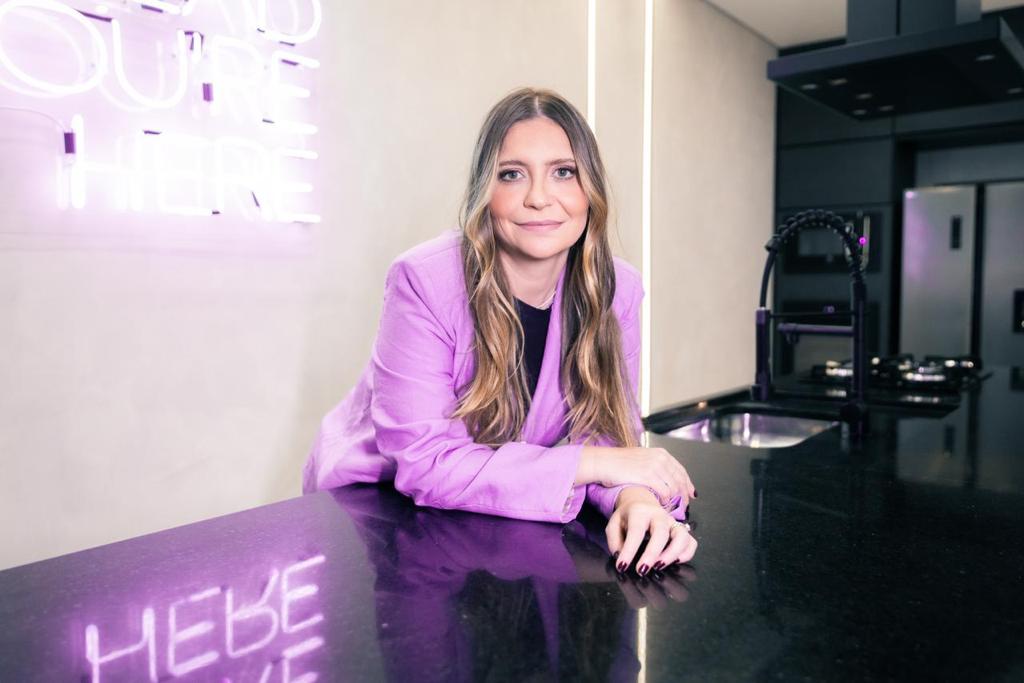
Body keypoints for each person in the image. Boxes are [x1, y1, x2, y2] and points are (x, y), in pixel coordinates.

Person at [304, 87, 698, 574]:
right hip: (378, 508)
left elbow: (606, 436)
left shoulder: (618, 289)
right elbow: (425, 462)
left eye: (563, 171)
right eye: (512, 174)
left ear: (590, 189)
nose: (539, 198)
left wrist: (635, 500)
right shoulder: (424, 280)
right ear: (485, 193)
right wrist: (594, 465)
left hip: (494, 501)